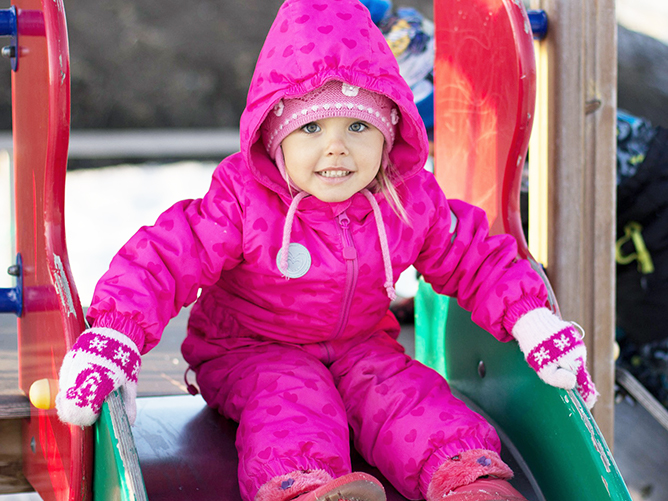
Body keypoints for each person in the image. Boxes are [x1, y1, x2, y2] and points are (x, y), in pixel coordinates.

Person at [55, 1, 598, 500]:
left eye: (359, 125)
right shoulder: (243, 201)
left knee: (408, 397)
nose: (336, 147)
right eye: (311, 126)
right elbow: (165, 257)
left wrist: (532, 319)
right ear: (274, 136)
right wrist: (114, 333)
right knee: (291, 399)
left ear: (389, 134)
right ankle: (304, 488)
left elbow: (474, 256)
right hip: (249, 349)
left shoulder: (406, 200)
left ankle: (467, 480)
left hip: (360, 344)